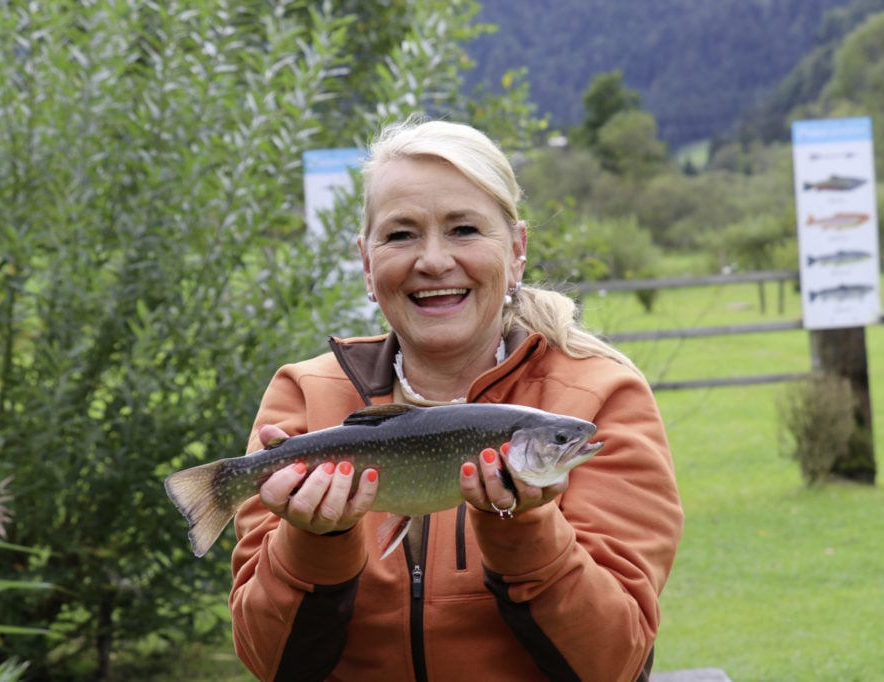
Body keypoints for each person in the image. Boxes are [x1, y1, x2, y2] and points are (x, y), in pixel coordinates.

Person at [229, 119, 684, 682]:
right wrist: (312, 541)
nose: (434, 261)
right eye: (401, 235)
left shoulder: (600, 399)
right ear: (367, 264)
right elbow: (271, 662)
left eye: (464, 229)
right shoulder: (303, 397)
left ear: (516, 250)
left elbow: (614, 661)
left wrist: (523, 530)